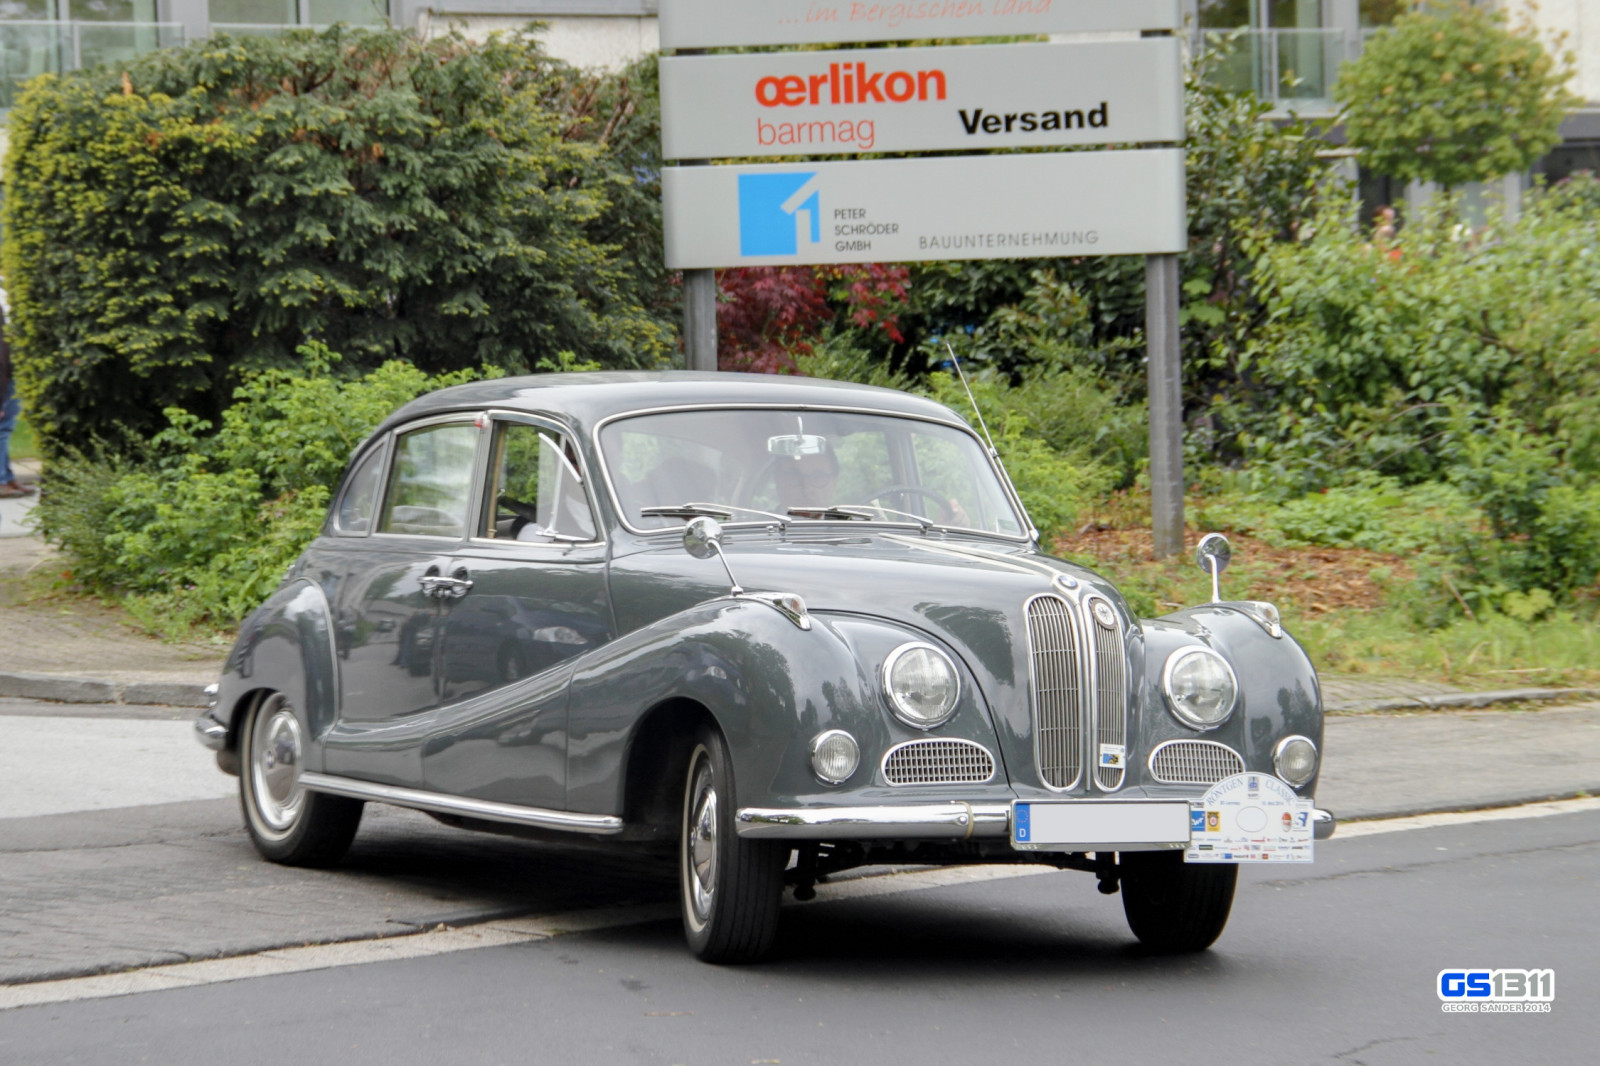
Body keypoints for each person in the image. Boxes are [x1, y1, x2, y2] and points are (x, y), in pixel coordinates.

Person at [0, 305, 34, 499]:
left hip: (8, 378)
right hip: (4, 382)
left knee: (4, 430)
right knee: (2, 431)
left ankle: (7, 477)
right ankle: (2, 480)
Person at [774, 449, 839, 511]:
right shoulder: (764, 521)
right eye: (795, 477)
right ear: (777, 480)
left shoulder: (845, 522)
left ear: (834, 484)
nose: (806, 489)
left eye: (817, 477)